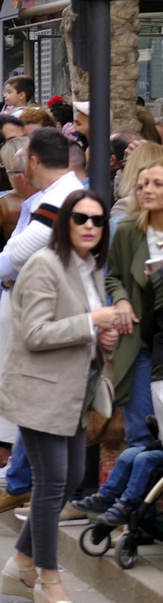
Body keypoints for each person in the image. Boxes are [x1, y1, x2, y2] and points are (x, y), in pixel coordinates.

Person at [0, 191, 130, 603]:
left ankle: (20, 562)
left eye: (97, 220)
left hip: (73, 392)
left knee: (70, 476)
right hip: (41, 391)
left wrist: (102, 337)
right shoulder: (44, 264)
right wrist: (92, 322)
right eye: (80, 218)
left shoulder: (88, 267)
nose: (90, 226)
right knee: (54, 481)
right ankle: (47, 578)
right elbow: (34, 333)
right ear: (65, 223)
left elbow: (78, 329)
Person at [104, 159, 163, 449]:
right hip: (139, 338)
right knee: (140, 430)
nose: (146, 191)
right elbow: (113, 277)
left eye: (156, 184)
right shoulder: (127, 229)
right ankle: (141, 493)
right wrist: (122, 299)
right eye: (142, 186)